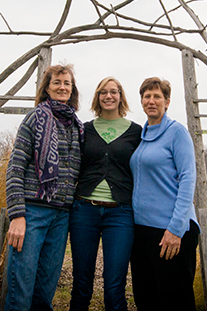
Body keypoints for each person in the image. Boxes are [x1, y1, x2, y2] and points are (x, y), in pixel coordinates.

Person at [5, 64, 84, 311]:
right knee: (21, 289)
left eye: (67, 83)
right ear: (47, 88)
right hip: (33, 213)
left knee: (45, 292)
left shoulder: (77, 126)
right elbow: (15, 167)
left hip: (61, 215)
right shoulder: (35, 118)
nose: (62, 87)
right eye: (57, 82)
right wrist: (17, 215)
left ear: (72, 89)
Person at [69, 77, 142, 311]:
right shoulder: (84, 129)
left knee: (114, 285)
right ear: (97, 97)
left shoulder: (136, 131)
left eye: (113, 92)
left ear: (121, 96)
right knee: (81, 282)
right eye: (103, 92)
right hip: (84, 211)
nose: (108, 96)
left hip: (120, 213)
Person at [129, 77, 200, 311]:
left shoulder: (177, 132)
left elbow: (188, 179)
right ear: (141, 101)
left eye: (157, 96)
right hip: (141, 231)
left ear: (167, 102)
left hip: (170, 231)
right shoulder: (142, 135)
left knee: (174, 301)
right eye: (147, 96)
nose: (151, 101)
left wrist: (176, 229)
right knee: (146, 298)